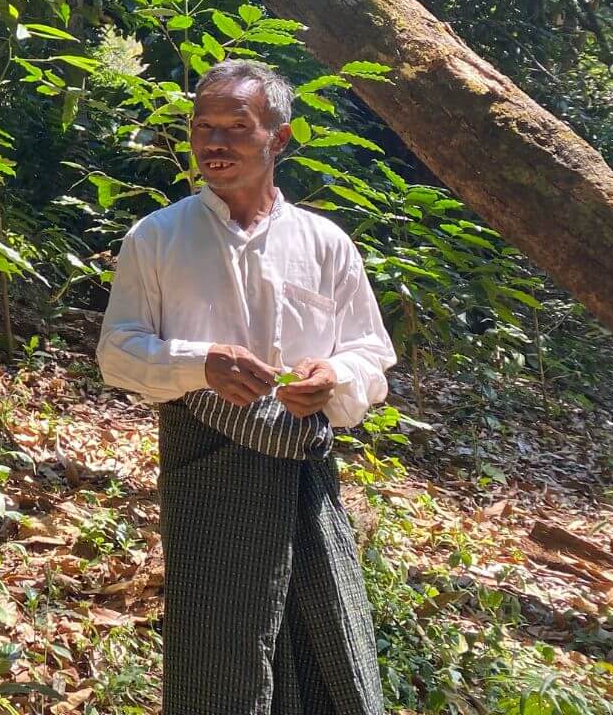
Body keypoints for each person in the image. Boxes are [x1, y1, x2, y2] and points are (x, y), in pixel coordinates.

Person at [98, 59, 397, 715]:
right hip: (206, 477)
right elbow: (117, 355)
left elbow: (370, 355)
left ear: (279, 140)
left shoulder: (325, 244)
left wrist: (333, 376)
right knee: (216, 657)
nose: (215, 143)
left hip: (303, 476)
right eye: (203, 127)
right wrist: (199, 365)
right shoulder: (157, 239)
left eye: (236, 127)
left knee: (322, 642)